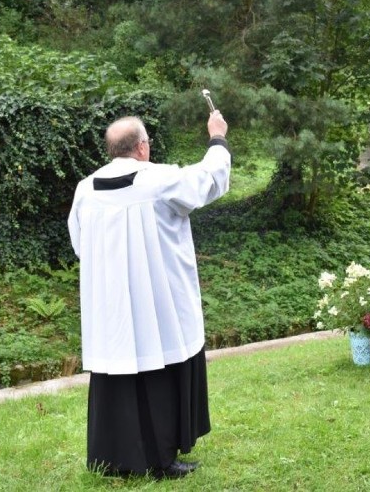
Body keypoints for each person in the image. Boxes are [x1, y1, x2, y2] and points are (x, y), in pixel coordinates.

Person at [67, 109, 230, 479]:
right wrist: (217, 138)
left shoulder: (85, 189)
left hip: (111, 310)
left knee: (119, 375)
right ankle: (160, 459)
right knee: (159, 369)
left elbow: (81, 244)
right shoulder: (160, 180)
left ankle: (113, 459)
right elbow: (208, 179)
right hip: (159, 303)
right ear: (142, 147)